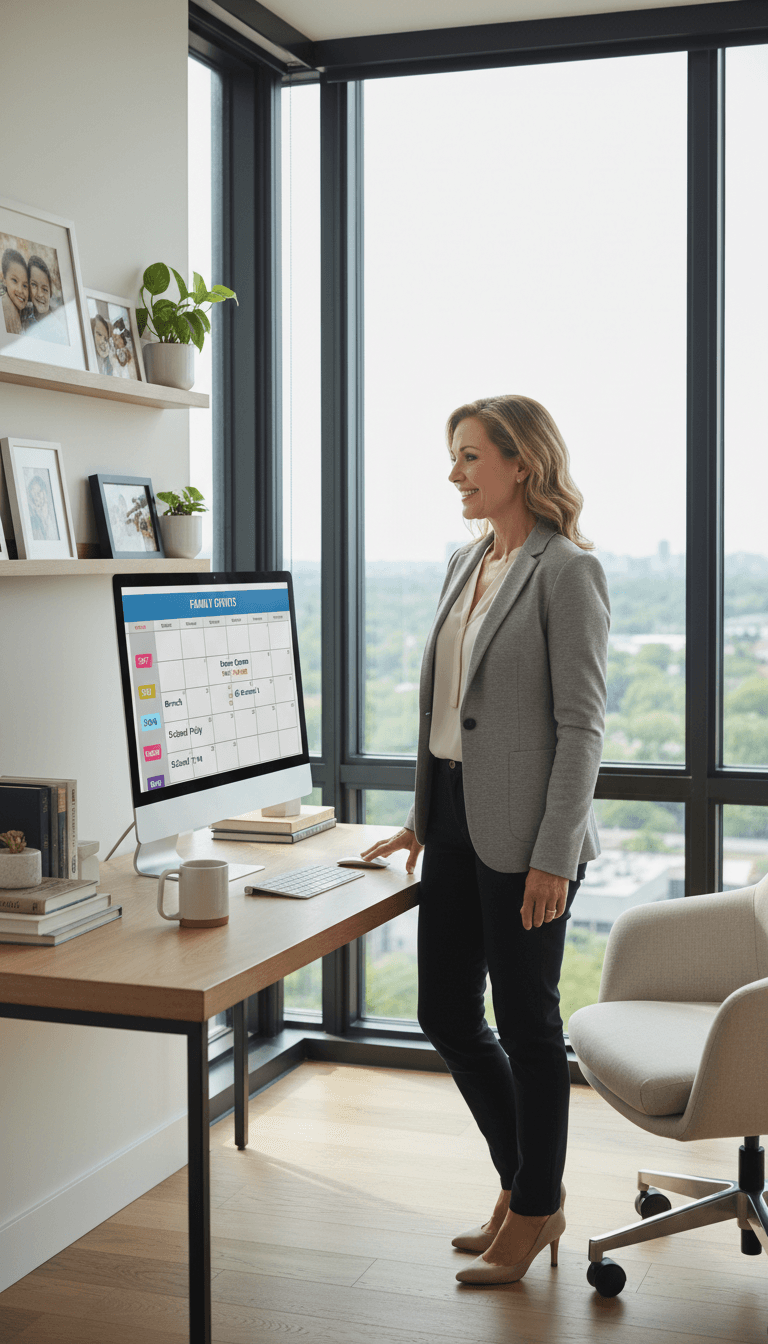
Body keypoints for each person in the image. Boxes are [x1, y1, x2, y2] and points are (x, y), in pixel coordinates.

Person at [361, 394, 610, 1286]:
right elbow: (447, 710)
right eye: (454, 456)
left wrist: (554, 853)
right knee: (445, 1014)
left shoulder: (566, 571)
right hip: (457, 819)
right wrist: (426, 816)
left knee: (529, 1025)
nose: (456, 473)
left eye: (470, 457)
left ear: (521, 464)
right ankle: (526, 1190)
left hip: (531, 833)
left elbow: (582, 727)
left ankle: (534, 1207)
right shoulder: (466, 563)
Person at [24, 255, 68, 343]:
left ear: (50, 292)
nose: (40, 294)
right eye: (34, 285)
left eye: (45, 289)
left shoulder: (59, 331)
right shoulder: (25, 317)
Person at [1, 248, 29, 335]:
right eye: (14, 280)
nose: (20, 290)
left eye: (25, 285)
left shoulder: (29, 310)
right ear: (4, 279)